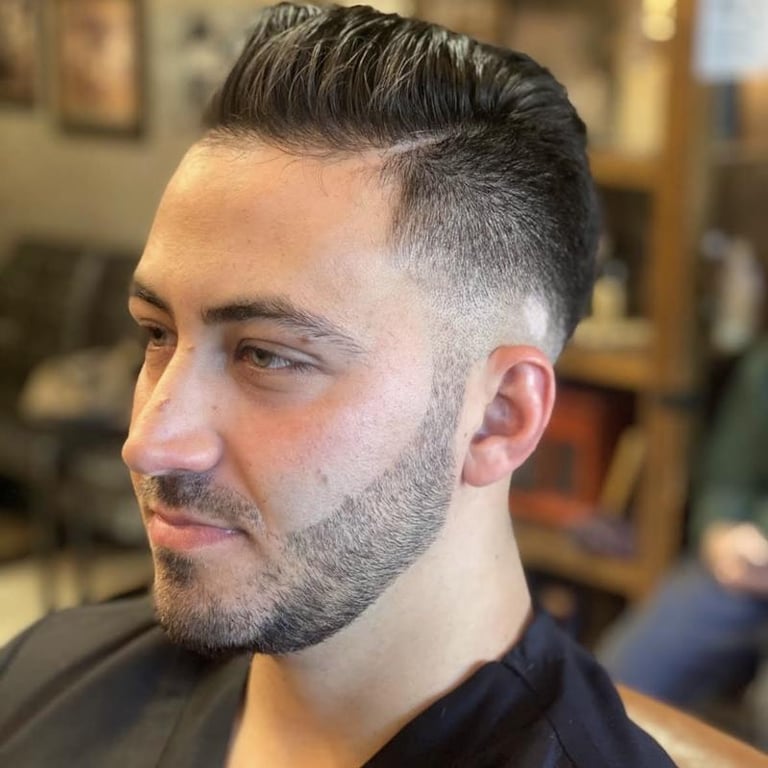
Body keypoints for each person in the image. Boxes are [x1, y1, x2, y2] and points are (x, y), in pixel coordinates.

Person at [0, 4, 675, 766]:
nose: (148, 441)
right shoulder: (44, 681)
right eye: (159, 333)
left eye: (267, 357)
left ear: (498, 417)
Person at [598, 337, 768, 733]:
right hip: (746, 567)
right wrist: (719, 532)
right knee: (617, 681)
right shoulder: (763, 367)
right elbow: (728, 480)